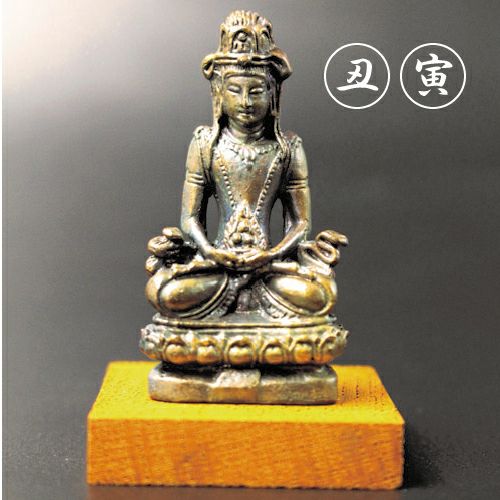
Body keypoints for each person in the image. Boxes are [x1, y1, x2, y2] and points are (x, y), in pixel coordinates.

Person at [145, 10, 347, 321]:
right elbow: (190, 218)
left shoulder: (288, 148)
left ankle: (248, 301)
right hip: (217, 267)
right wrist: (211, 252)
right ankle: (237, 299)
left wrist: (270, 255)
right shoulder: (204, 145)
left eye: (256, 91)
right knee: (167, 294)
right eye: (235, 91)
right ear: (218, 93)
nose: (246, 102)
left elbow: (301, 224)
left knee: (320, 295)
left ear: (273, 93)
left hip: (270, 270)